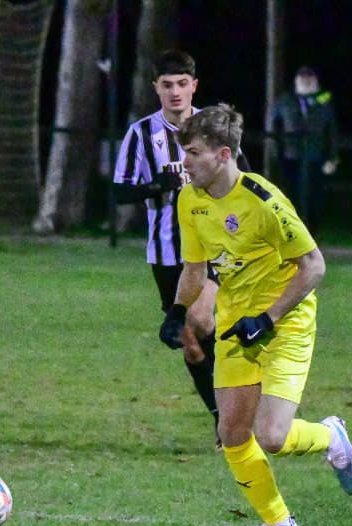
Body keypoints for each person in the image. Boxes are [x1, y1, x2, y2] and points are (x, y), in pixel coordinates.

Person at [158, 103, 352, 526]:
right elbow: (195, 268)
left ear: (223, 155)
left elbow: (314, 266)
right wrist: (177, 312)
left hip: (286, 321)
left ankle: (330, 436)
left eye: (193, 153)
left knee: (271, 436)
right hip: (237, 322)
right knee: (232, 434)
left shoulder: (263, 201)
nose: (184, 162)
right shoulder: (190, 200)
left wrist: (268, 318)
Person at [112, 51, 223, 436]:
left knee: (199, 321)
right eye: (167, 85)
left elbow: (242, 176)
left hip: (213, 249)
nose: (175, 91)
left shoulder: (214, 128)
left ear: (194, 85)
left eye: (182, 83)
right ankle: (222, 417)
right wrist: (156, 185)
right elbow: (119, 192)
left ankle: (233, 416)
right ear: (156, 88)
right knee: (192, 342)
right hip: (166, 253)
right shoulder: (141, 134)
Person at [271, 66, 340, 236]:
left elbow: (332, 130)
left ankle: (311, 233)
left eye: (310, 77)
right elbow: (273, 128)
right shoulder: (285, 100)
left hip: (316, 156)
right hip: (290, 157)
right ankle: (291, 232)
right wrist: (276, 153)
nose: (306, 81)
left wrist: (333, 157)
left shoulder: (324, 100)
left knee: (315, 197)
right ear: (296, 80)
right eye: (303, 77)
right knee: (290, 194)